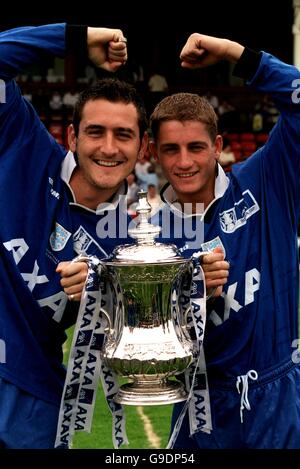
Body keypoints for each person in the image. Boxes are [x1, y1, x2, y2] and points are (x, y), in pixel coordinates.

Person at [148, 33, 300, 448]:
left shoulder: (265, 181)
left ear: (217, 146)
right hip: (203, 408)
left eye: (196, 147)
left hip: (279, 395)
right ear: (154, 153)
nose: (184, 162)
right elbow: (151, 349)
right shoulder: (149, 240)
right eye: (171, 149)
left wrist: (237, 55)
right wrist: (191, 293)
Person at [0, 22, 135, 449]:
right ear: (73, 136)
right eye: (95, 132)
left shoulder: (135, 246)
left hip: (33, 401)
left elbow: (129, 345)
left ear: (142, 148)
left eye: (124, 135)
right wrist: (78, 37)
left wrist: (100, 292)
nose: (108, 148)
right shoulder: (24, 143)